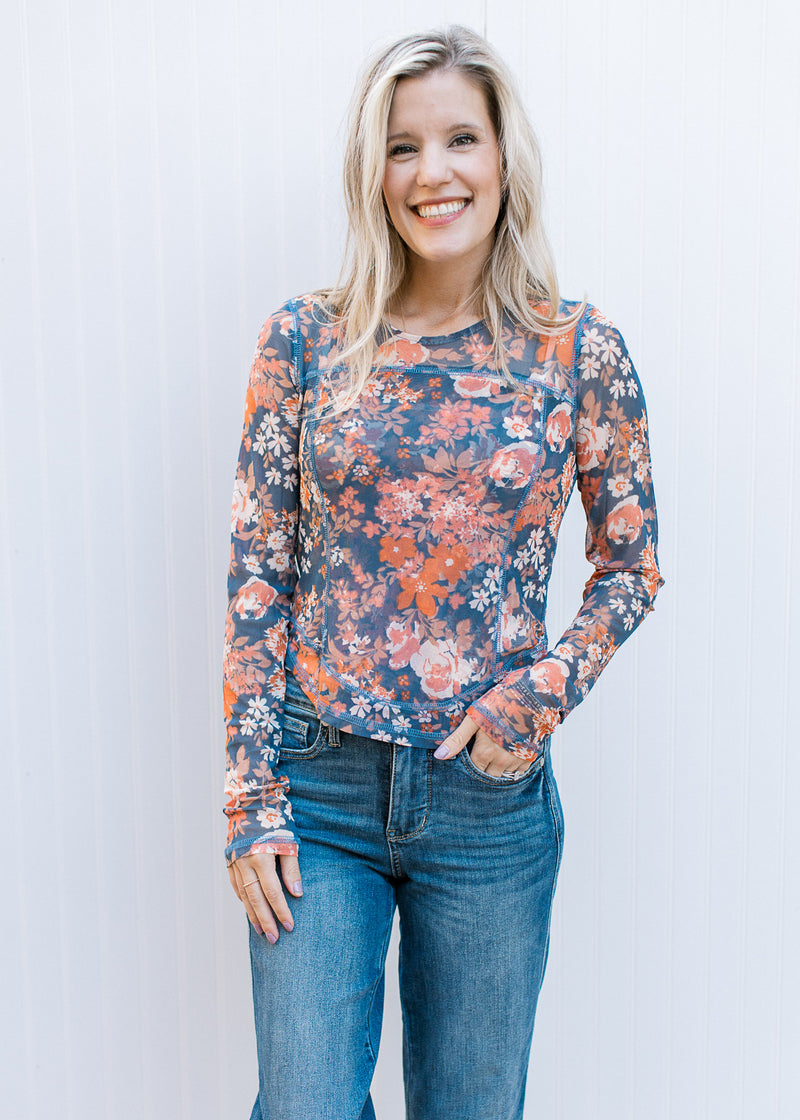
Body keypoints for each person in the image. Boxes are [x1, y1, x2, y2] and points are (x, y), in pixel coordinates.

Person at [223, 24, 663, 1120]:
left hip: (488, 802)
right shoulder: (303, 344)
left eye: (458, 138)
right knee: (303, 1105)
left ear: (502, 157)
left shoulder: (577, 351)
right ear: (371, 173)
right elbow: (255, 576)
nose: (433, 173)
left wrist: (539, 694)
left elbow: (630, 563)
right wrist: (249, 793)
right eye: (402, 146)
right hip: (316, 784)